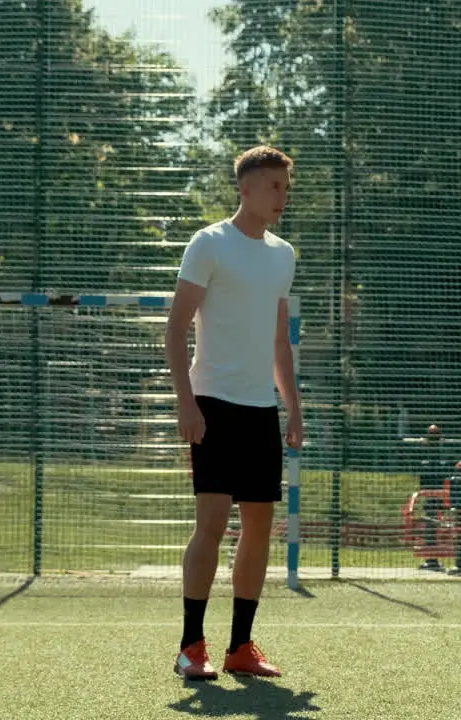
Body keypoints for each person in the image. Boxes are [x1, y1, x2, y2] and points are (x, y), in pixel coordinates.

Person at [165, 145, 303, 681]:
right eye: (273, 187)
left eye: (286, 188)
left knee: (260, 526)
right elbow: (176, 328)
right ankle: (190, 646)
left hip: (259, 410)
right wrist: (186, 404)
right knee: (212, 523)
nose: (281, 197)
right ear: (244, 188)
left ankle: (240, 647)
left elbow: (278, 341)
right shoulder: (209, 243)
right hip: (213, 406)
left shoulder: (283, 254)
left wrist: (292, 409)